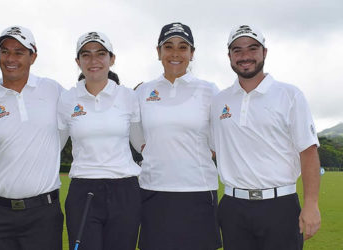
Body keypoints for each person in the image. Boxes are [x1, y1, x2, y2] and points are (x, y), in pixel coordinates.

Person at [210, 25, 321, 250]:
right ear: (229, 56)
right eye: (237, 50)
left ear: (264, 53)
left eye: (252, 48)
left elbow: (308, 151)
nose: (245, 56)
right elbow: (212, 149)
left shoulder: (289, 95)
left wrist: (311, 204)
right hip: (233, 207)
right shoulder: (219, 101)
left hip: (280, 206)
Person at [0, 26, 64, 250]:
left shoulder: (53, 90)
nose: (10, 58)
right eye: (4, 51)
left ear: (33, 56)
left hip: (44, 214)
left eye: (19, 52)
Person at [131, 22, 222, 250]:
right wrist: (150, 149)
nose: (175, 53)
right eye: (168, 46)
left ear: (192, 54)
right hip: (154, 191)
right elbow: (135, 132)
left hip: (198, 192)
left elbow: (219, 138)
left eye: (183, 47)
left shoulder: (209, 90)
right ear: (158, 52)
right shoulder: (143, 91)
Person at [57, 31, 141, 250]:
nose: (93, 61)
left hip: (125, 188)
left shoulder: (128, 97)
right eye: (86, 55)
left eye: (101, 54)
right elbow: (53, 145)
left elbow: (142, 143)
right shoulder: (67, 99)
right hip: (83, 189)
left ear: (111, 59)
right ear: (78, 62)